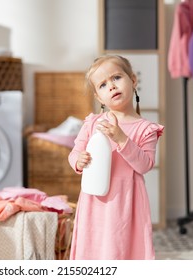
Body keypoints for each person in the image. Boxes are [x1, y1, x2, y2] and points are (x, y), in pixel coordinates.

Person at [68, 54, 164, 260]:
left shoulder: (145, 129)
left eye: (116, 78)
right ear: (98, 97)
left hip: (126, 202)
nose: (111, 86)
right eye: (103, 85)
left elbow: (145, 164)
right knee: (93, 247)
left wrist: (122, 139)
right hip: (95, 200)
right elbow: (75, 151)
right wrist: (78, 160)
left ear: (133, 80)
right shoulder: (93, 123)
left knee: (121, 249)